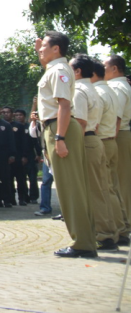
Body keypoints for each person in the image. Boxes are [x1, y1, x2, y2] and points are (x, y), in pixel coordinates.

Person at [37, 33, 96, 257]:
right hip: (58, 128)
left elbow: (63, 105)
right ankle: (86, 239)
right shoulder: (56, 69)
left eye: (44, 46)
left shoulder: (59, 71)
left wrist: (60, 138)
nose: (40, 49)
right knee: (73, 188)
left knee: (71, 189)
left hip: (60, 128)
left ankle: (82, 243)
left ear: (56, 49)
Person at [72, 55, 119, 250]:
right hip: (95, 139)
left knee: (93, 191)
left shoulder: (79, 90)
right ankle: (108, 232)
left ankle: (103, 234)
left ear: (78, 71)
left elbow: (81, 122)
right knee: (101, 189)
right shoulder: (93, 89)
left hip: (86, 140)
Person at [91, 59, 128, 244]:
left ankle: (117, 229)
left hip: (109, 138)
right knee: (114, 185)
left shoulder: (108, 89)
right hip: (113, 137)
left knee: (110, 187)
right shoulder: (113, 88)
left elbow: (112, 118)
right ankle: (121, 228)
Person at [105, 55, 131, 245]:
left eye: (105, 66)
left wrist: (111, 138)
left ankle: (124, 223)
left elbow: (117, 118)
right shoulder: (119, 86)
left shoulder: (117, 87)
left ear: (114, 68)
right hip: (120, 135)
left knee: (120, 183)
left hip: (118, 135)